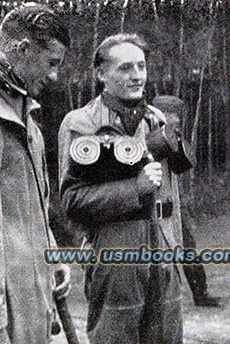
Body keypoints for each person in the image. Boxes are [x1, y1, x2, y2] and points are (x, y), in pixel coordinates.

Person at [59, 34, 183, 344]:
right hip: (116, 256)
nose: (137, 75)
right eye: (125, 68)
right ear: (101, 73)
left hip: (164, 254)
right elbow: (72, 200)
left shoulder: (156, 121)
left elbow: (173, 197)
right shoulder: (82, 124)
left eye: (141, 66)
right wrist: (135, 188)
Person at [0, 4, 71, 344]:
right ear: (24, 49)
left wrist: (54, 257)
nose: (54, 74)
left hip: (29, 303)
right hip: (1, 317)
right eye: (52, 62)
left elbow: (34, 208)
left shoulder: (21, 110)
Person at [152, 95, 221, 307]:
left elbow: (183, 163)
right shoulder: (147, 134)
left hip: (172, 205)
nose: (178, 120)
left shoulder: (171, 136)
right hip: (153, 207)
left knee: (187, 246)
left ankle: (200, 292)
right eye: (174, 115)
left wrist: (175, 138)